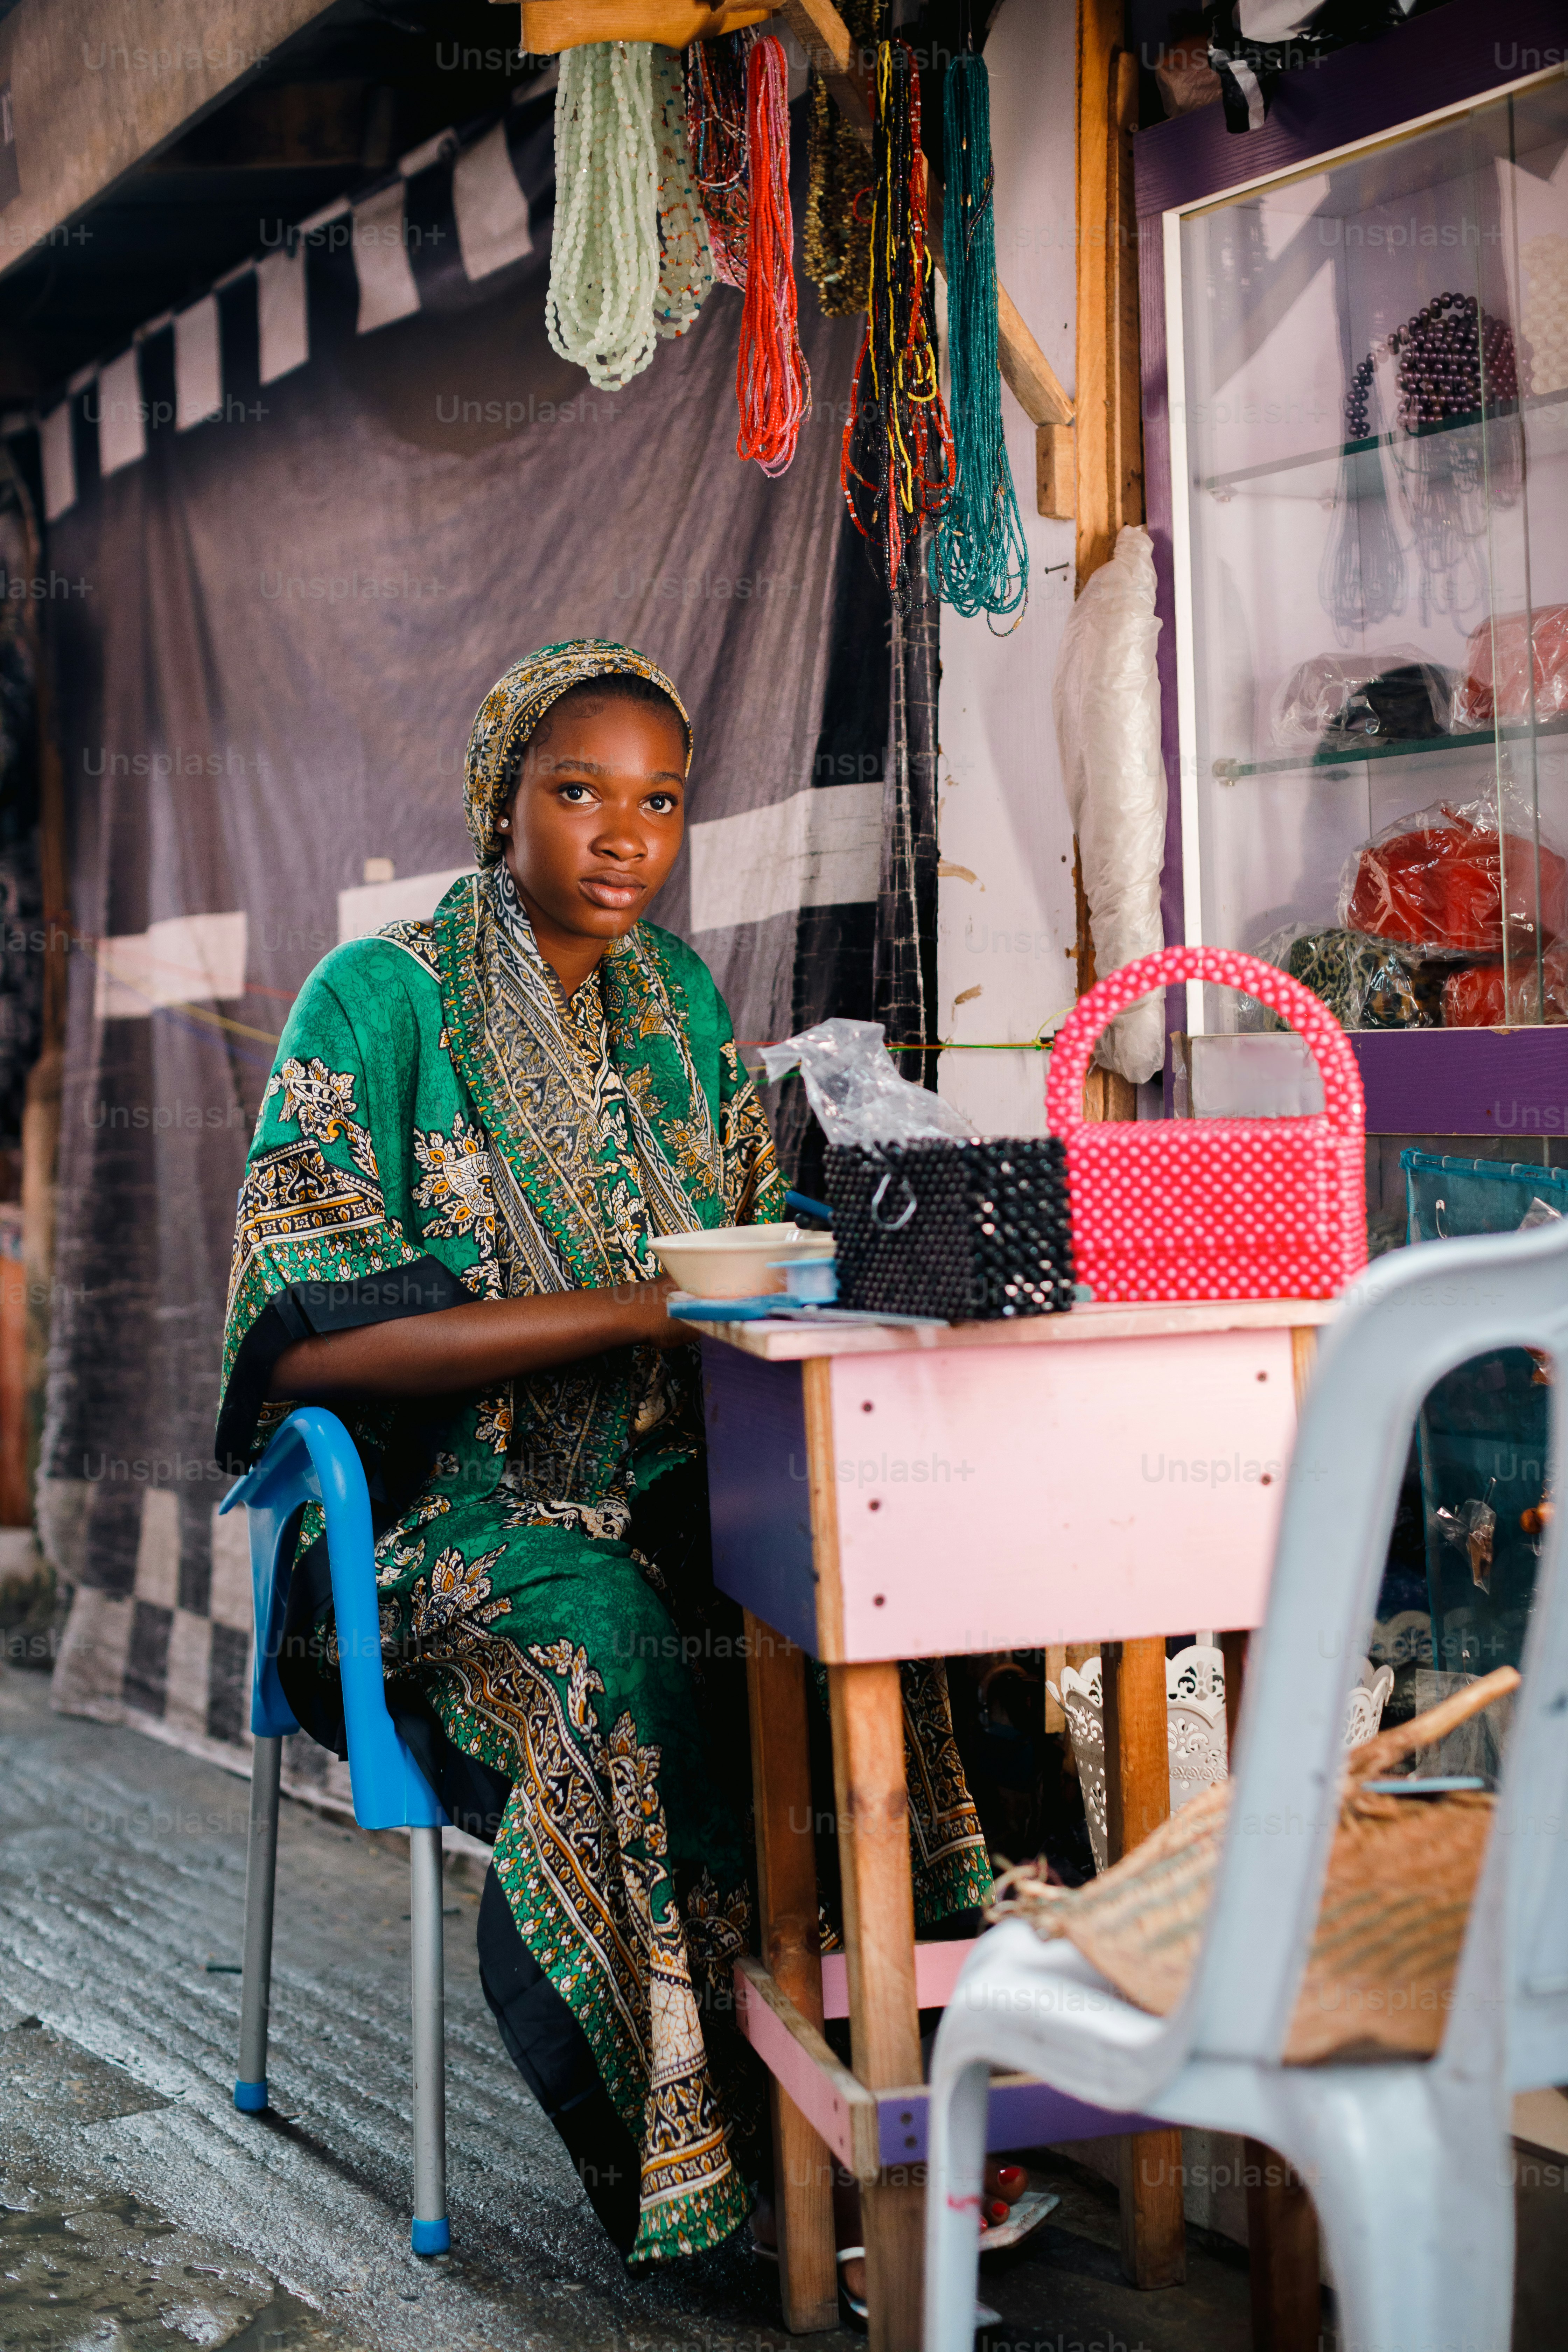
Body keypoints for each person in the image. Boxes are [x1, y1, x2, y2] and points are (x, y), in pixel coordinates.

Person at [216, 640, 992, 2277]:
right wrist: (624, 1309)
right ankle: (701, 2179)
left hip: (648, 1483)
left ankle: (908, 2106)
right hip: (420, 1529)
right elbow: (301, 1343)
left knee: (856, 1577)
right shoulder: (382, 998)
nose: (622, 836)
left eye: (659, 800)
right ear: (505, 803)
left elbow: (729, 1256)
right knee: (617, 1649)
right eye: (577, 793)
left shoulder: (679, 1006)